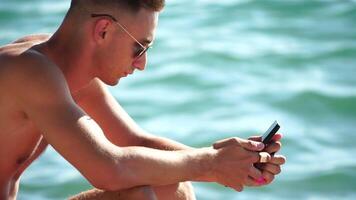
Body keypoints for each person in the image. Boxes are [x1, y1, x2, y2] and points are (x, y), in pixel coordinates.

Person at [0, 0, 286, 199]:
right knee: (138, 195)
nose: (142, 63)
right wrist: (213, 165)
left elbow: (134, 142)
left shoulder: (60, 68)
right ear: (103, 30)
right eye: (139, 48)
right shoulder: (29, 71)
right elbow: (109, 169)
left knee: (173, 189)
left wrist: (236, 162)